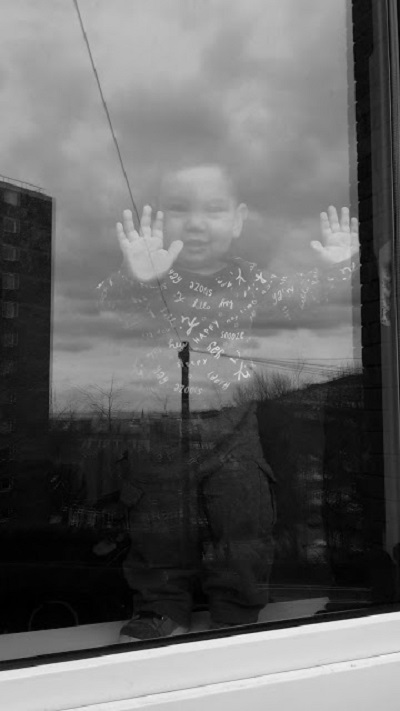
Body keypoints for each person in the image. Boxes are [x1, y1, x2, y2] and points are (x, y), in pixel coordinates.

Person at [98, 162, 358, 641]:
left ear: (238, 220)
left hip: (234, 427)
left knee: (245, 521)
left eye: (213, 210)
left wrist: (338, 267)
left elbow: (298, 300)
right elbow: (107, 307)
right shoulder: (153, 278)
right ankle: (162, 608)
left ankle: (236, 611)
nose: (196, 223)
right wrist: (134, 276)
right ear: (159, 218)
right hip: (159, 428)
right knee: (159, 527)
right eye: (180, 209)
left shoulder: (248, 278)